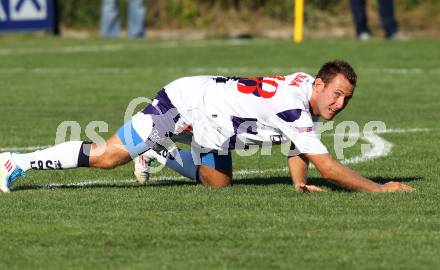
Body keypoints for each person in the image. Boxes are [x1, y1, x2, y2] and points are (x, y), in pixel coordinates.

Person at [0, 60, 415, 193]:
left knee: (218, 183)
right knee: (108, 156)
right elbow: (326, 164)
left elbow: (298, 145)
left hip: (215, 119)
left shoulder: (306, 88)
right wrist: (380, 188)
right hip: (186, 102)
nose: (339, 104)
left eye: (347, 99)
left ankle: (158, 148)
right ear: (320, 85)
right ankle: (17, 163)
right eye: (336, 94)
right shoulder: (296, 106)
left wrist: (296, 184)